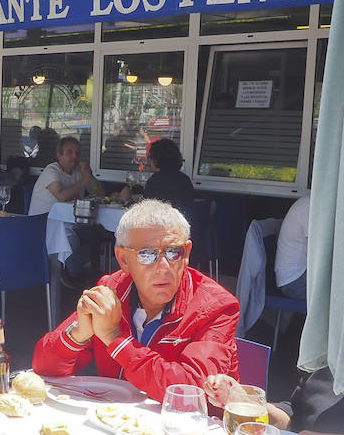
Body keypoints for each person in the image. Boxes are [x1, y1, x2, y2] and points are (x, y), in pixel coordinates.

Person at [33, 199, 239, 401]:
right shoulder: (111, 290)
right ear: (123, 259)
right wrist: (78, 335)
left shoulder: (217, 307)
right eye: (147, 255)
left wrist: (116, 339)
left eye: (174, 252)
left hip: (190, 430)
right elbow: (44, 367)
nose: (164, 267)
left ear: (186, 254)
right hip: (117, 422)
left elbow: (191, 393)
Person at [31, 136, 101, 283]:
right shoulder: (52, 170)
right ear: (59, 155)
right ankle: (68, 274)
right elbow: (61, 196)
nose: (74, 157)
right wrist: (83, 181)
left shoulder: (78, 173)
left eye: (77, 153)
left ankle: (78, 273)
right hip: (46, 225)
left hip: (71, 223)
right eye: (69, 152)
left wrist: (89, 176)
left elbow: (101, 193)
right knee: (72, 241)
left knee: (99, 236)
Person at [140, 138, 195, 213]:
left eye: (150, 157)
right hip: (184, 222)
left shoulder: (155, 181)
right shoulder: (185, 179)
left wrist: (128, 200)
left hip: (166, 222)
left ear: (155, 159)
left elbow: (145, 211)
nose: (148, 161)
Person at [274, 194, 310, 300]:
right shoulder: (308, 205)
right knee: (337, 289)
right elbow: (317, 250)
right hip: (294, 280)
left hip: (295, 276)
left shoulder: (306, 202)